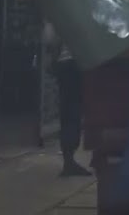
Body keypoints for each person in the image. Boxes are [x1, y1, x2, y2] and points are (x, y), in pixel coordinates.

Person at [43, 21, 91, 177]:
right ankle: (69, 161)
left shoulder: (58, 12)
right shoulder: (73, 11)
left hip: (66, 64)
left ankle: (69, 159)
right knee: (73, 111)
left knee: (69, 111)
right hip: (76, 64)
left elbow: (49, 39)